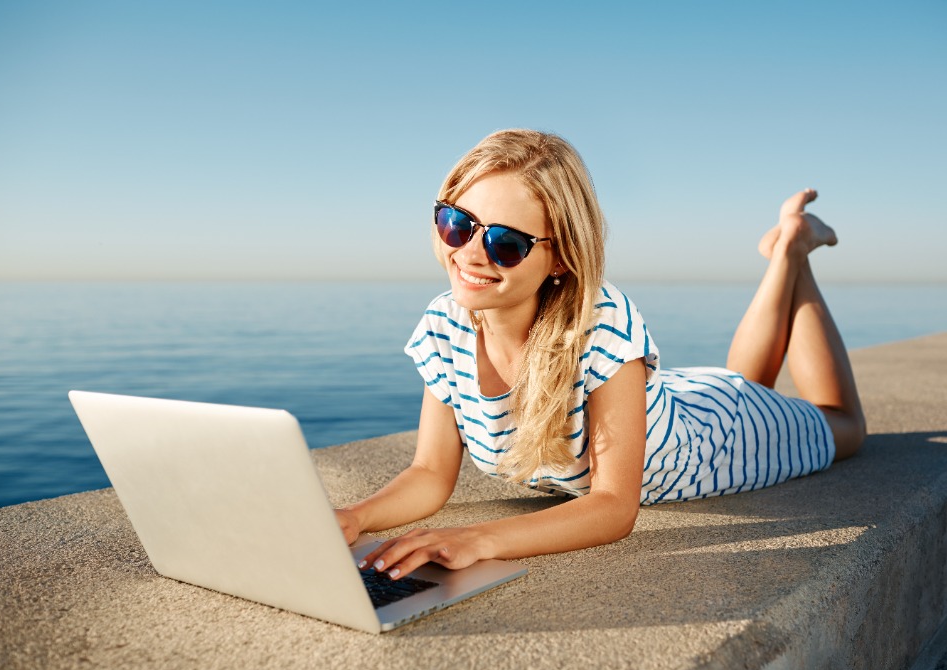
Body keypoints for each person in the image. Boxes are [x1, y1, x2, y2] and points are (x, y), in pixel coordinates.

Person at [335, 129, 866, 580]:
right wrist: (354, 517)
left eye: (506, 243)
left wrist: (481, 538)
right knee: (744, 378)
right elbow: (429, 471)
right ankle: (785, 254)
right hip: (674, 403)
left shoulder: (600, 324)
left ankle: (793, 248)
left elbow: (614, 507)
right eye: (457, 223)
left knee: (843, 425)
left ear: (561, 256)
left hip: (717, 443)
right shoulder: (444, 323)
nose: (471, 253)